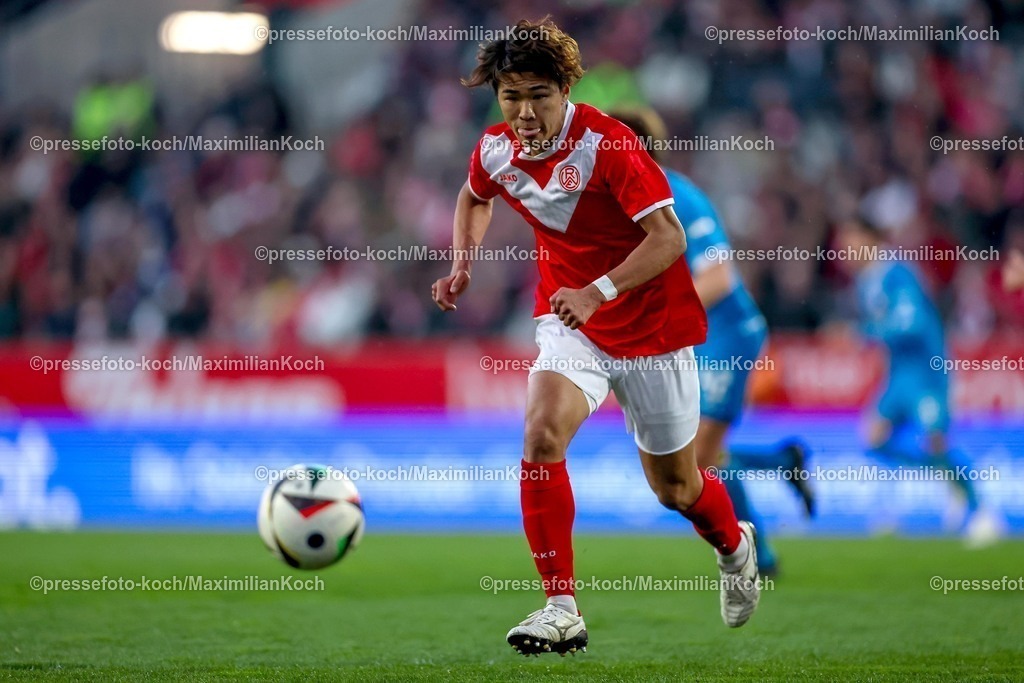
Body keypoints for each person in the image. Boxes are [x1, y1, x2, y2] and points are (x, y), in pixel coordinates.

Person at [431, 18, 760, 656]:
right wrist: (462, 263)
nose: (524, 112)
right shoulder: (494, 149)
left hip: (652, 330)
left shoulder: (608, 145)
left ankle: (734, 545)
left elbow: (670, 239)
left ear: (566, 91)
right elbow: (474, 197)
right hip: (570, 324)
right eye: (510, 96)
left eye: (538, 96)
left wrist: (597, 292)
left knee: (677, 489)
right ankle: (561, 608)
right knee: (541, 433)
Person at [610, 107, 816, 576]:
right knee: (696, 462)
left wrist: (654, 319)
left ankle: (758, 554)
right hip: (695, 339)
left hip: (727, 335)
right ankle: (781, 466)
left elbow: (718, 278)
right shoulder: (624, 206)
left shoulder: (681, 198)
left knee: (695, 462)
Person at [836, 216, 1001, 546]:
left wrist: (860, 335)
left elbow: (909, 325)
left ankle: (984, 514)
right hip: (898, 373)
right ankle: (944, 479)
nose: (843, 250)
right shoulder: (865, 281)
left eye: (849, 240)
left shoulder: (897, 273)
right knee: (874, 438)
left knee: (936, 442)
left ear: (869, 237)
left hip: (926, 371)